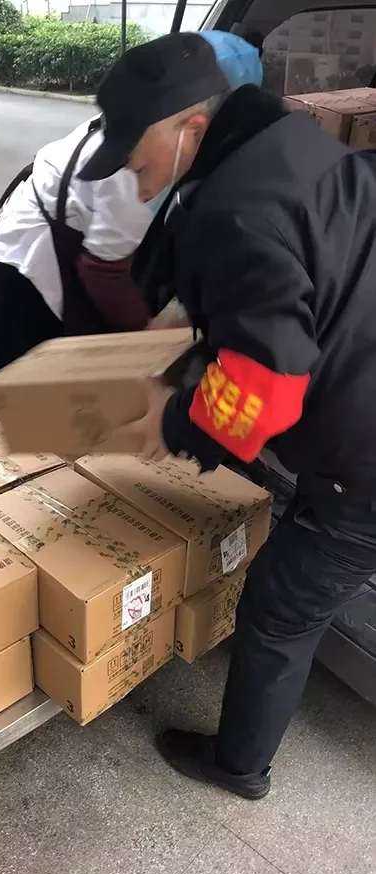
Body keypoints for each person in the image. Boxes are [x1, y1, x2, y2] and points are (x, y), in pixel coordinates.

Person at [79, 30, 376, 799]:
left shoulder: (234, 208)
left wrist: (172, 423)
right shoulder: (289, 146)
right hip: (358, 381)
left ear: (192, 127)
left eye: (137, 160)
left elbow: (266, 390)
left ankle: (239, 767)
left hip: (364, 461)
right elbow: (284, 285)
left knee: (280, 608)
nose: (136, 180)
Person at [0, 117, 152, 381]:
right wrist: (149, 335)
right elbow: (104, 272)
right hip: (20, 281)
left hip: (2, 257)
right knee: (13, 390)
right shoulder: (122, 167)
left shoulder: (106, 128)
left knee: (12, 385)